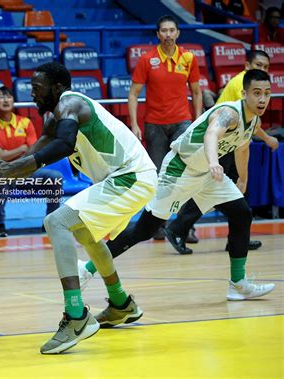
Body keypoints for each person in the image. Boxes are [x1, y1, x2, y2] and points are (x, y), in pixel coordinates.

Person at [0, 62, 157, 354]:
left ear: (58, 88)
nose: (32, 95)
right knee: (86, 234)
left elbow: (63, 145)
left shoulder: (71, 103)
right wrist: (6, 171)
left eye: (37, 89)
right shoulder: (56, 117)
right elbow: (36, 153)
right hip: (125, 179)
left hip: (131, 177)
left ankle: (76, 316)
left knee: (56, 222)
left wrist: (16, 168)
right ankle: (121, 304)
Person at [79, 69, 275, 302]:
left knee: (242, 213)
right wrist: (214, 162)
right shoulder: (229, 113)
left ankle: (238, 284)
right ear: (244, 93)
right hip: (181, 169)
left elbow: (242, 148)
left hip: (207, 175)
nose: (262, 99)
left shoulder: (253, 122)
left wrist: (243, 179)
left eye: (266, 93)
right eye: (256, 93)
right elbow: (211, 134)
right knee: (145, 230)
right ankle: (87, 268)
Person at [165, 50, 277, 254]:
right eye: (258, 65)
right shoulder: (241, 85)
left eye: (266, 67)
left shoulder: (257, 87)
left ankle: (236, 238)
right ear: (247, 66)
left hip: (233, 141)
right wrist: (268, 138)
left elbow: (249, 126)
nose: (262, 70)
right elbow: (245, 120)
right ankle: (178, 228)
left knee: (238, 190)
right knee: (215, 189)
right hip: (219, 142)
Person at [128, 15, 202, 240]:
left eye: (172, 30)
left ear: (178, 33)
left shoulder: (189, 58)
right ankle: (158, 227)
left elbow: (197, 92)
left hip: (182, 122)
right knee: (159, 178)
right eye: (164, 31)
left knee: (184, 175)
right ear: (157, 34)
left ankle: (184, 227)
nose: (168, 34)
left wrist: (197, 123)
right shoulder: (147, 60)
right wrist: (133, 125)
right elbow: (133, 93)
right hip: (154, 126)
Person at [0, 86, 63, 237]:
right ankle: (0, 225)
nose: (6, 100)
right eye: (1, 97)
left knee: (55, 177)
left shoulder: (25, 122)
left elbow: (32, 152)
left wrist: (5, 154)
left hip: (27, 171)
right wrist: (21, 148)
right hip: (4, 173)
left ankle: (50, 222)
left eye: (9, 96)